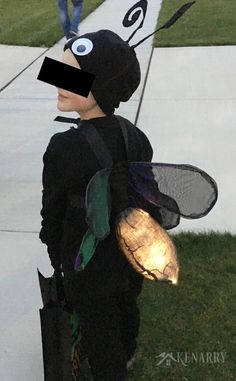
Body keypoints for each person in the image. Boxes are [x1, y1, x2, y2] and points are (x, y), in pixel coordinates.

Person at [39, 30, 154, 380]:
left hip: (85, 263)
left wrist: (55, 253)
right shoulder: (136, 137)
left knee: (97, 327)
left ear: (100, 88)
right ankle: (128, 347)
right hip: (130, 254)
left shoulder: (63, 149)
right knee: (125, 304)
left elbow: (53, 213)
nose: (58, 82)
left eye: (71, 76)